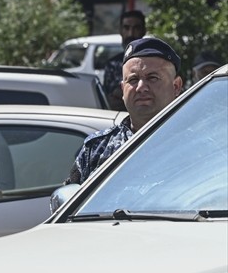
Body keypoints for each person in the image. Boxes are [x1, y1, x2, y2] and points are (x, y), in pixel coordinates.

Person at [67, 36, 183, 185]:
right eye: (133, 80)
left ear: (176, 86)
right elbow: (71, 199)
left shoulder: (196, 144)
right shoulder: (96, 149)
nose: (141, 87)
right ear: (123, 89)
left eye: (152, 78)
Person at [101, 10, 147, 111]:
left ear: (144, 31)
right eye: (126, 28)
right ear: (120, 31)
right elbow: (106, 101)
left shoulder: (152, 62)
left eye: (136, 28)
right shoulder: (112, 64)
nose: (131, 33)